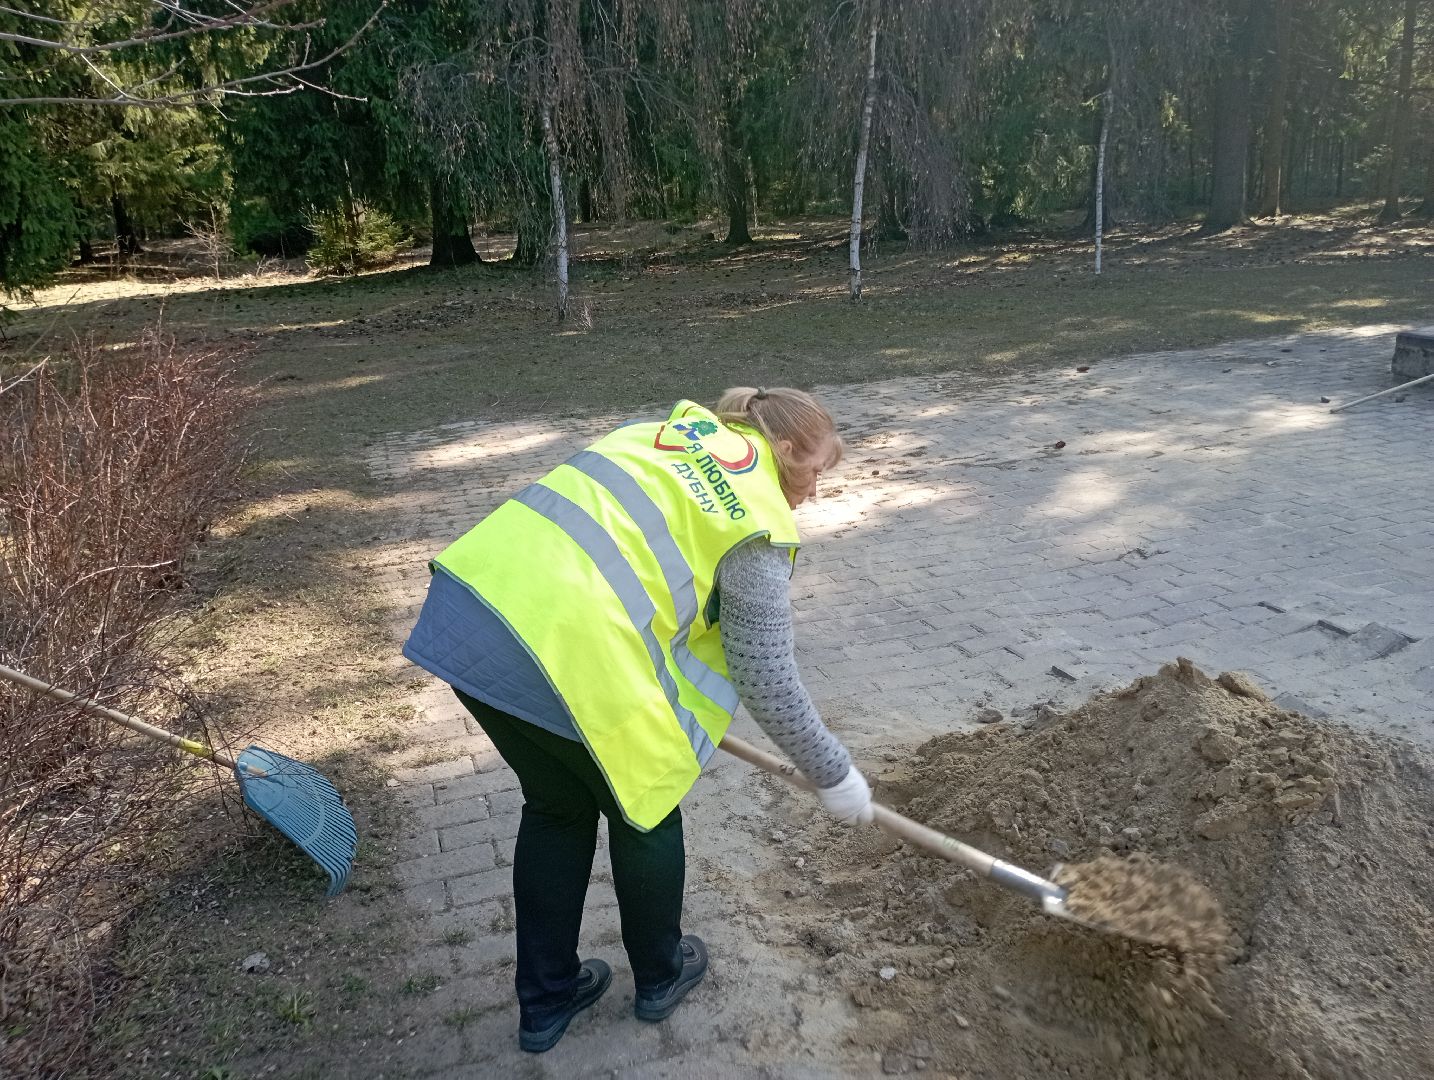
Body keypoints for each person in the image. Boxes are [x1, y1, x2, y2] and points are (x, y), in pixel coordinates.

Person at [403, 387, 875, 1053]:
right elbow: (767, 675)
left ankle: (546, 1000)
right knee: (645, 806)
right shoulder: (756, 518)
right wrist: (835, 773)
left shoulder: (660, 435)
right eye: (817, 471)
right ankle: (659, 974)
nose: (816, 492)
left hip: (473, 618)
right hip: (561, 651)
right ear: (787, 450)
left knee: (557, 807)